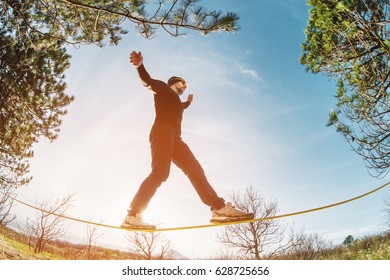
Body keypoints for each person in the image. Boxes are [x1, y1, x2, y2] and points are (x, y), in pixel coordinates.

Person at [121, 51, 254, 229]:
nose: (185, 86)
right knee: (160, 173)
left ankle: (218, 208)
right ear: (174, 81)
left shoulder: (177, 101)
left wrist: (189, 103)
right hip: (162, 131)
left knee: (194, 168)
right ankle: (133, 215)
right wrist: (140, 66)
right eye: (183, 82)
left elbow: (180, 106)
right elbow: (147, 82)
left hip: (176, 138)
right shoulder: (162, 88)